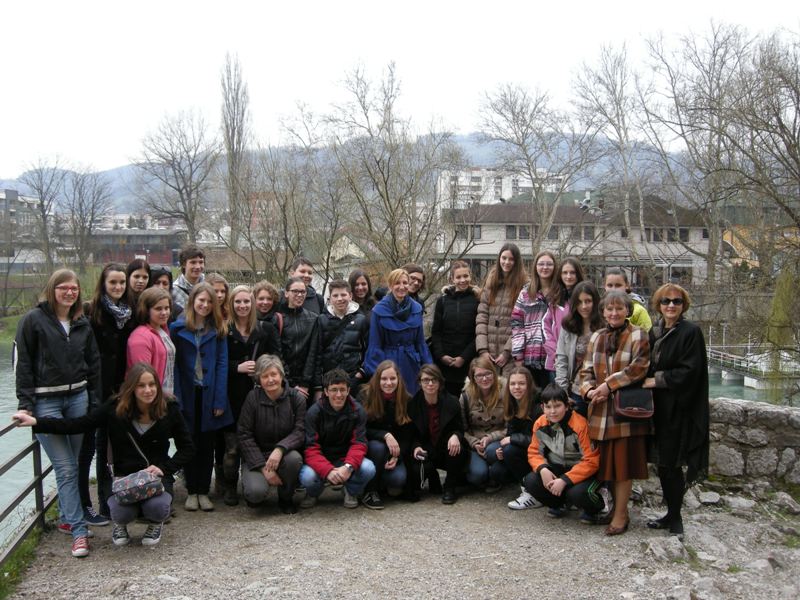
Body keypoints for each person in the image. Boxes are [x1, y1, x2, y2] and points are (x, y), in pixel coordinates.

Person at [13, 363, 195, 548]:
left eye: (152, 384)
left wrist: (164, 468)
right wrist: (36, 422)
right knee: (121, 513)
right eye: (141, 385)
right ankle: (120, 525)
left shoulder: (169, 408)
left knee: (157, 509)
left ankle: (156, 523)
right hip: (122, 478)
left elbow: (187, 448)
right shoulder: (115, 408)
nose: (148, 390)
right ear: (131, 388)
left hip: (156, 479)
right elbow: (78, 424)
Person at [13, 269, 102, 557]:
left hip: (78, 398)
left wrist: (94, 400)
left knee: (73, 463)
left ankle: (66, 517)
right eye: (63, 287)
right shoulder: (33, 320)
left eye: (73, 288)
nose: (69, 292)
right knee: (65, 468)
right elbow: (23, 364)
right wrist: (25, 404)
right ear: (52, 290)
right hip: (45, 402)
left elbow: (93, 363)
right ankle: (78, 531)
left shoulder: (81, 322)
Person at [579, 290, 650, 536]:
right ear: (603, 312)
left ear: (627, 310)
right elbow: (586, 370)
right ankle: (614, 510)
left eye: (619, 308)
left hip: (626, 411)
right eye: (609, 309)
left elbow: (638, 368)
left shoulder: (638, 334)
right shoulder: (597, 336)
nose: (614, 313)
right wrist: (589, 391)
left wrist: (607, 386)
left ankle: (621, 514)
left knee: (623, 466)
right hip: (600, 411)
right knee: (607, 465)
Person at [642, 284, 709, 540]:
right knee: (662, 463)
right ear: (658, 305)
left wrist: (656, 380)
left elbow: (691, 371)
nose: (671, 305)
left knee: (672, 464)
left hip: (677, 408)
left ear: (683, 305)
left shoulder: (690, 332)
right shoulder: (655, 331)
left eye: (676, 301)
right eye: (666, 301)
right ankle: (670, 514)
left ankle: (676, 516)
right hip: (656, 409)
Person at [81, 263, 136, 524]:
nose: (118, 287)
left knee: (120, 444)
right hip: (99, 388)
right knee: (100, 446)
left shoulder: (129, 312)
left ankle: (121, 497)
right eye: (113, 282)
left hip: (123, 387)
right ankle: (102, 502)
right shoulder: (93, 312)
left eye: (121, 282)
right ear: (103, 284)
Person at [171, 282, 232, 512]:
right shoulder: (177, 328)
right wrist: (176, 396)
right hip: (187, 394)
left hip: (209, 393)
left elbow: (222, 364)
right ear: (192, 301)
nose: (205, 305)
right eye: (201, 300)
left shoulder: (218, 329)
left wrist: (219, 399)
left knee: (207, 444)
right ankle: (191, 490)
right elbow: (174, 366)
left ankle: (203, 490)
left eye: (209, 302)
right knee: (188, 442)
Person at [222, 285, 281, 505]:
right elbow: (216, 363)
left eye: (246, 301)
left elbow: (277, 359)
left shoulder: (265, 329)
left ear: (253, 303)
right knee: (232, 447)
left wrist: (261, 370)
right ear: (231, 304)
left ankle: (253, 480)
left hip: (258, 394)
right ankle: (230, 486)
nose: (242, 305)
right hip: (231, 395)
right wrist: (236, 367)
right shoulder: (223, 330)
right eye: (238, 301)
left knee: (253, 441)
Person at [523, 384, 607, 522]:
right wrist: (542, 468)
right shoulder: (540, 423)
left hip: (585, 472)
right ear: (542, 407)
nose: (552, 411)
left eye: (557, 406)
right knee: (531, 480)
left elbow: (591, 461)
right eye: (548, 407)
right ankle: (559, 504)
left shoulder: (580, 425)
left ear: (567, 406)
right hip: (559, 466)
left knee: (577, 493)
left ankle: (597, 507)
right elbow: (534, 452)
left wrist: (565, 480)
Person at [237, 354, 305, 514]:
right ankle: (256, 490)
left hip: (284, 454)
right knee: (255, 493)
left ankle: (286, 497)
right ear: (259, 379)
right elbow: (244, 435)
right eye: (265, 376)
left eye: (273, 374)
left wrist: (280, 449)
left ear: (281, 375)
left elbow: (300, 431)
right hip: (257, 456)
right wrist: (263, 467)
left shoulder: (296, 398)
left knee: (294, 459)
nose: (270, 380)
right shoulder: (252, 398)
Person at [299, 369, 376, 509]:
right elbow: (311, 448)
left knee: (368, 468)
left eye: (342, 390)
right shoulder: (314, 413)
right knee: (307, 477)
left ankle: (350, 491)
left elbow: (359, 443)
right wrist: (327, 470)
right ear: (326, 392)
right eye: (334, 390)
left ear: (348, 390)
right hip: (321, 458)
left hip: (346, 458)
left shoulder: (358, 411)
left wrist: (348, 466)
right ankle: (313, 493)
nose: (339, 395)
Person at [363, 268, 432, 395]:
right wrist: (378, 372)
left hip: (411, 364)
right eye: (397, 283)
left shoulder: (417, 308)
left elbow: (420, 342)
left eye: (405, 283)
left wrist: (428, 367)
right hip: (389, 363)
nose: (402, 287)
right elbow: (375, 345)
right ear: (390, 285)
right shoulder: (379, 310)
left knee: (411, 399)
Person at [356, 360, 413, 509]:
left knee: (398, 479)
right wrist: (385, 435)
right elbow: (360, 428)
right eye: (384, 379)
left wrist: (397, 456)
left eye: (392, 378)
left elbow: (408, 436)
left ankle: (380, 483)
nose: (388, 383)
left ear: (398, 379)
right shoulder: (364, 395)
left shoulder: (406, 399)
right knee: (378, 447)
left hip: (393, 450)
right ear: (377, 379)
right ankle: (370, 491)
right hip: (369, 447)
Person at [407, 364, 467, 504]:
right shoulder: (412, 405)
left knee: (457, 449)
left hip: (446, 448)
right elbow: (412, 434)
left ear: (440, 382)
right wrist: (416, 447)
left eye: (434, 380)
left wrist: (455, 436)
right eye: (426, 380)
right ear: (420, 382)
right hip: (426, 449)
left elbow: (459, 428)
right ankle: (432, 475)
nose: (430, 384)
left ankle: (449, 487)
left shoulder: (452, 402)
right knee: (414, 478)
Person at [476, 243, 528, 377]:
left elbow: (523, 323)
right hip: (489, 351)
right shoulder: (490, 283)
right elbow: (482, 318)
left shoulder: (524, 287)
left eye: (511, 259)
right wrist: (483, 350)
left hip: (511, 353)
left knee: (509, 386)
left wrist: (507, 352)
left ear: (517, 262)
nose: (507, 262)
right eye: (504, 258)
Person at [430, 260, 480, 397]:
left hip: (468, 362)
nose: (462, 280)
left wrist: (463, 357)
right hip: (445, 364)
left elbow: (478, 333)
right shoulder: (442, 301)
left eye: (465, 276)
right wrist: (441, 356)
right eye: (458, 277)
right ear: (452, 279)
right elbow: (436, 332)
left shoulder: (477, 300)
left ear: (470, 276)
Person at [511, 250, 560, 389]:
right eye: (541, 264)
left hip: (555, 357)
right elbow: (516, 324)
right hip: (531, 356)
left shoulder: (560, 293)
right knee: (532, 398)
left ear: (555, 267)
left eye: (549, 264)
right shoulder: (526, 293)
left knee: (553, 396)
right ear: (535, 267)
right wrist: (518, 355)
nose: (545, 267)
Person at [554, 282, 604, 417]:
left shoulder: (605, 325)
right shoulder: (568, 326)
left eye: (588, 301)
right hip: (576, 389)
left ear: (595, 301)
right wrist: (563, 392)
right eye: (579, 302)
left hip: (600, 390)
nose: (584, 306)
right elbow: (561, 359)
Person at [498, 367, 543, 510]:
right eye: (513, 384)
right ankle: (527, 488)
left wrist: (512, 439)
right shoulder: (512, 402)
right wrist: (504, 445)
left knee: (510, 450)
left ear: (529, 384)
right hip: (526, 446)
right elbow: (511, 431)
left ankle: (533, 493)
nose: (516, 387)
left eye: (521, 383)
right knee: (498, 465)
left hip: (542, 451)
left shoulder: (539, 405)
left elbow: (542, 440)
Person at [460, 356, 506, 491]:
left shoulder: (505, 392)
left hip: (498, 440)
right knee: (477, 476)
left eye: (488, 373)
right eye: (479, 375)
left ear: (494, 373)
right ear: (473, 378)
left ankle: (496, 472)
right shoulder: (465, 397)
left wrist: (491, 437)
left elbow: (510, 427)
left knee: (491, 451)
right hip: (476, 442)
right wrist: (474, 443)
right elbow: (461, 428)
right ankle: (483, 472)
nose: (484, 379)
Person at [314, 279, 368, 392]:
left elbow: (368, 349)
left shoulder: (361, 320)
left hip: (354, 378)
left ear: (350, 296)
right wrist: (318, 385)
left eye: (343, 295)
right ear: (330, 298)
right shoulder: (321, 320)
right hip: (329, 380)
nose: (340, 299)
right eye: (335, 295)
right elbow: (317, 353)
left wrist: (360, 373)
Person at [127, 287, 176, 395]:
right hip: (150, 396)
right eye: (158, 309)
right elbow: (142, 376)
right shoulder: (140, 338)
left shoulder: (162, 329)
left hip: (166, 394)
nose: (164, 312)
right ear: (146, 310)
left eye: (167, 308)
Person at [542, 256, 584, 380]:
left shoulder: (584, 299)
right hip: (556, 361)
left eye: (572, 273)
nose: (568, 276)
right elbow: (545, 325)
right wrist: (554, 351)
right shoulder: (554, 298)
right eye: (565, 273)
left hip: (579, 360)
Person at [278, 276, 319, 403]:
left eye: (303, 292)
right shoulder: (278, 318)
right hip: (282, 381)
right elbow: (277, 353)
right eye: (295, 291)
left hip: (305, 384)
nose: (299, 295)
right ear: (286, 293)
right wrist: (289, 383)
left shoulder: (313, 319)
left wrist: (304, 384)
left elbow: (313, 353)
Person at [604, 267, 652, 332]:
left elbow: (646, 335)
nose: (613, 289)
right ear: (604, 286)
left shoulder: (639, 311)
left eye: (618, 285)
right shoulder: (599, 308)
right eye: (610, 285)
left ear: (627, 285)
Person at [172, 244, 206, 310]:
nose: (198, 266)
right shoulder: (174, 290)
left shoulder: (209, 285)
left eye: (201, 262)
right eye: (193, 262)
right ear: (183, 264)